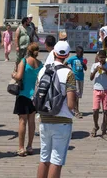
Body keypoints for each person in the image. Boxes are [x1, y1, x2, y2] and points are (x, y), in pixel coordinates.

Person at [36, 41, 76, 178]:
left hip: (44, 119)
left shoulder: (43, 71)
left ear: (54, 53)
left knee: (44, 158)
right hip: (63, 120)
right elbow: (71, 103)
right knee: (56, 160)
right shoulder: (69, 73)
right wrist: (75, 111)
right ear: (68, 55)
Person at [12, 42, 43, 156]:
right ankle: (30, 146)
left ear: (28, 51)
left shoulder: (24, 61)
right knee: (31, 121)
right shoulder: (40, 64)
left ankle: (21, 148)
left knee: (22, 121)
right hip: (34, 96)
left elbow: (19, 76)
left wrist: (13, 75)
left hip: (23, 94)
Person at [90, 49, 107, 140]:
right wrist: (96, 70)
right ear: (98, 57)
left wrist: (105, 70)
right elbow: (91, 78)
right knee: (95, 110)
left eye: (103, 58)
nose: (101, 60)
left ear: (106, 58)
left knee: (105, 110)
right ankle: (96, 126)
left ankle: (104, 130)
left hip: (106, 90)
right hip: (96, 90)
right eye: (100, 58)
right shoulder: (94, 65)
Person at [66, 46, 87, 118]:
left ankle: (75, 109)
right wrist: (70, 70)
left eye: (82, 53)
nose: (81, 54)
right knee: (76, 94)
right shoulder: (73, 58)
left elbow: (85, 69)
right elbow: (65, 63)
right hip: (75, 78)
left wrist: (84, 64)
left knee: (79, 94)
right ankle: (76, 111)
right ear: (76, 52)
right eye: (80, 53)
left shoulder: (82, 59)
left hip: (81, 78)